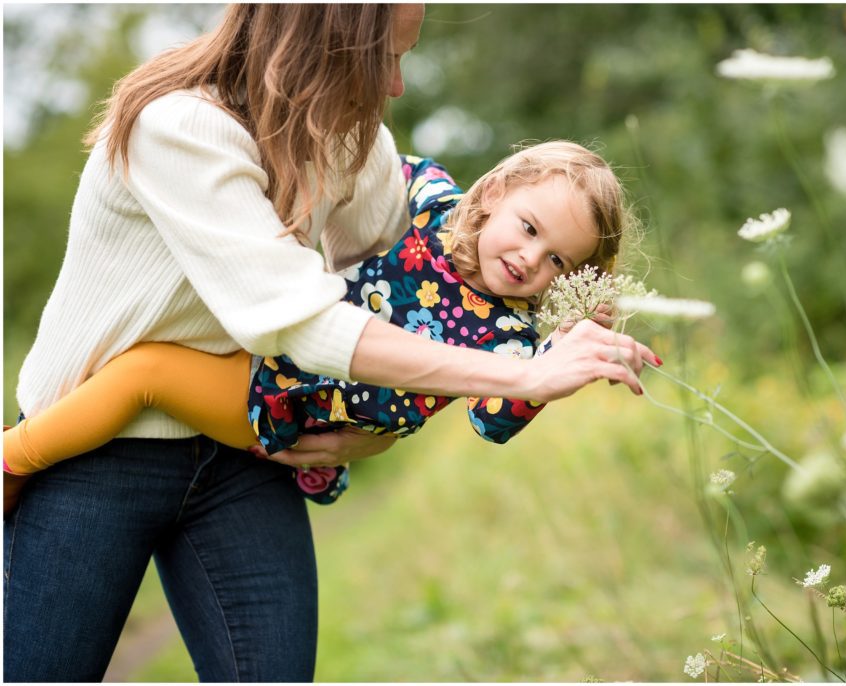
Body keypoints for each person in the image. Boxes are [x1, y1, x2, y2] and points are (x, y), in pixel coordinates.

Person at [3, 4, 656, 682]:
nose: (397, 85)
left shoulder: (348, 135)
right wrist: (521, 376)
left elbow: (403, 271)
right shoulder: (182, 127)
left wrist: (382, 426)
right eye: (390, 57)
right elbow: (300, 322)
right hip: (98, 447)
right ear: (328, 40)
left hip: (255, 455)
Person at [4, 142, 638, 506]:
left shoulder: (515, 336)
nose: (531, 258)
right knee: (145, 366)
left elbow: (489, 420)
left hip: (289, 411)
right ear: (495, 192)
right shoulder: (438, 210)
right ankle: (20, 453)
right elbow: (383, 162)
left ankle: (13, 458)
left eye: (559, 260)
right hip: (280, 366)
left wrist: (556, 359)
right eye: (530, 228)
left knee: (146, 373)